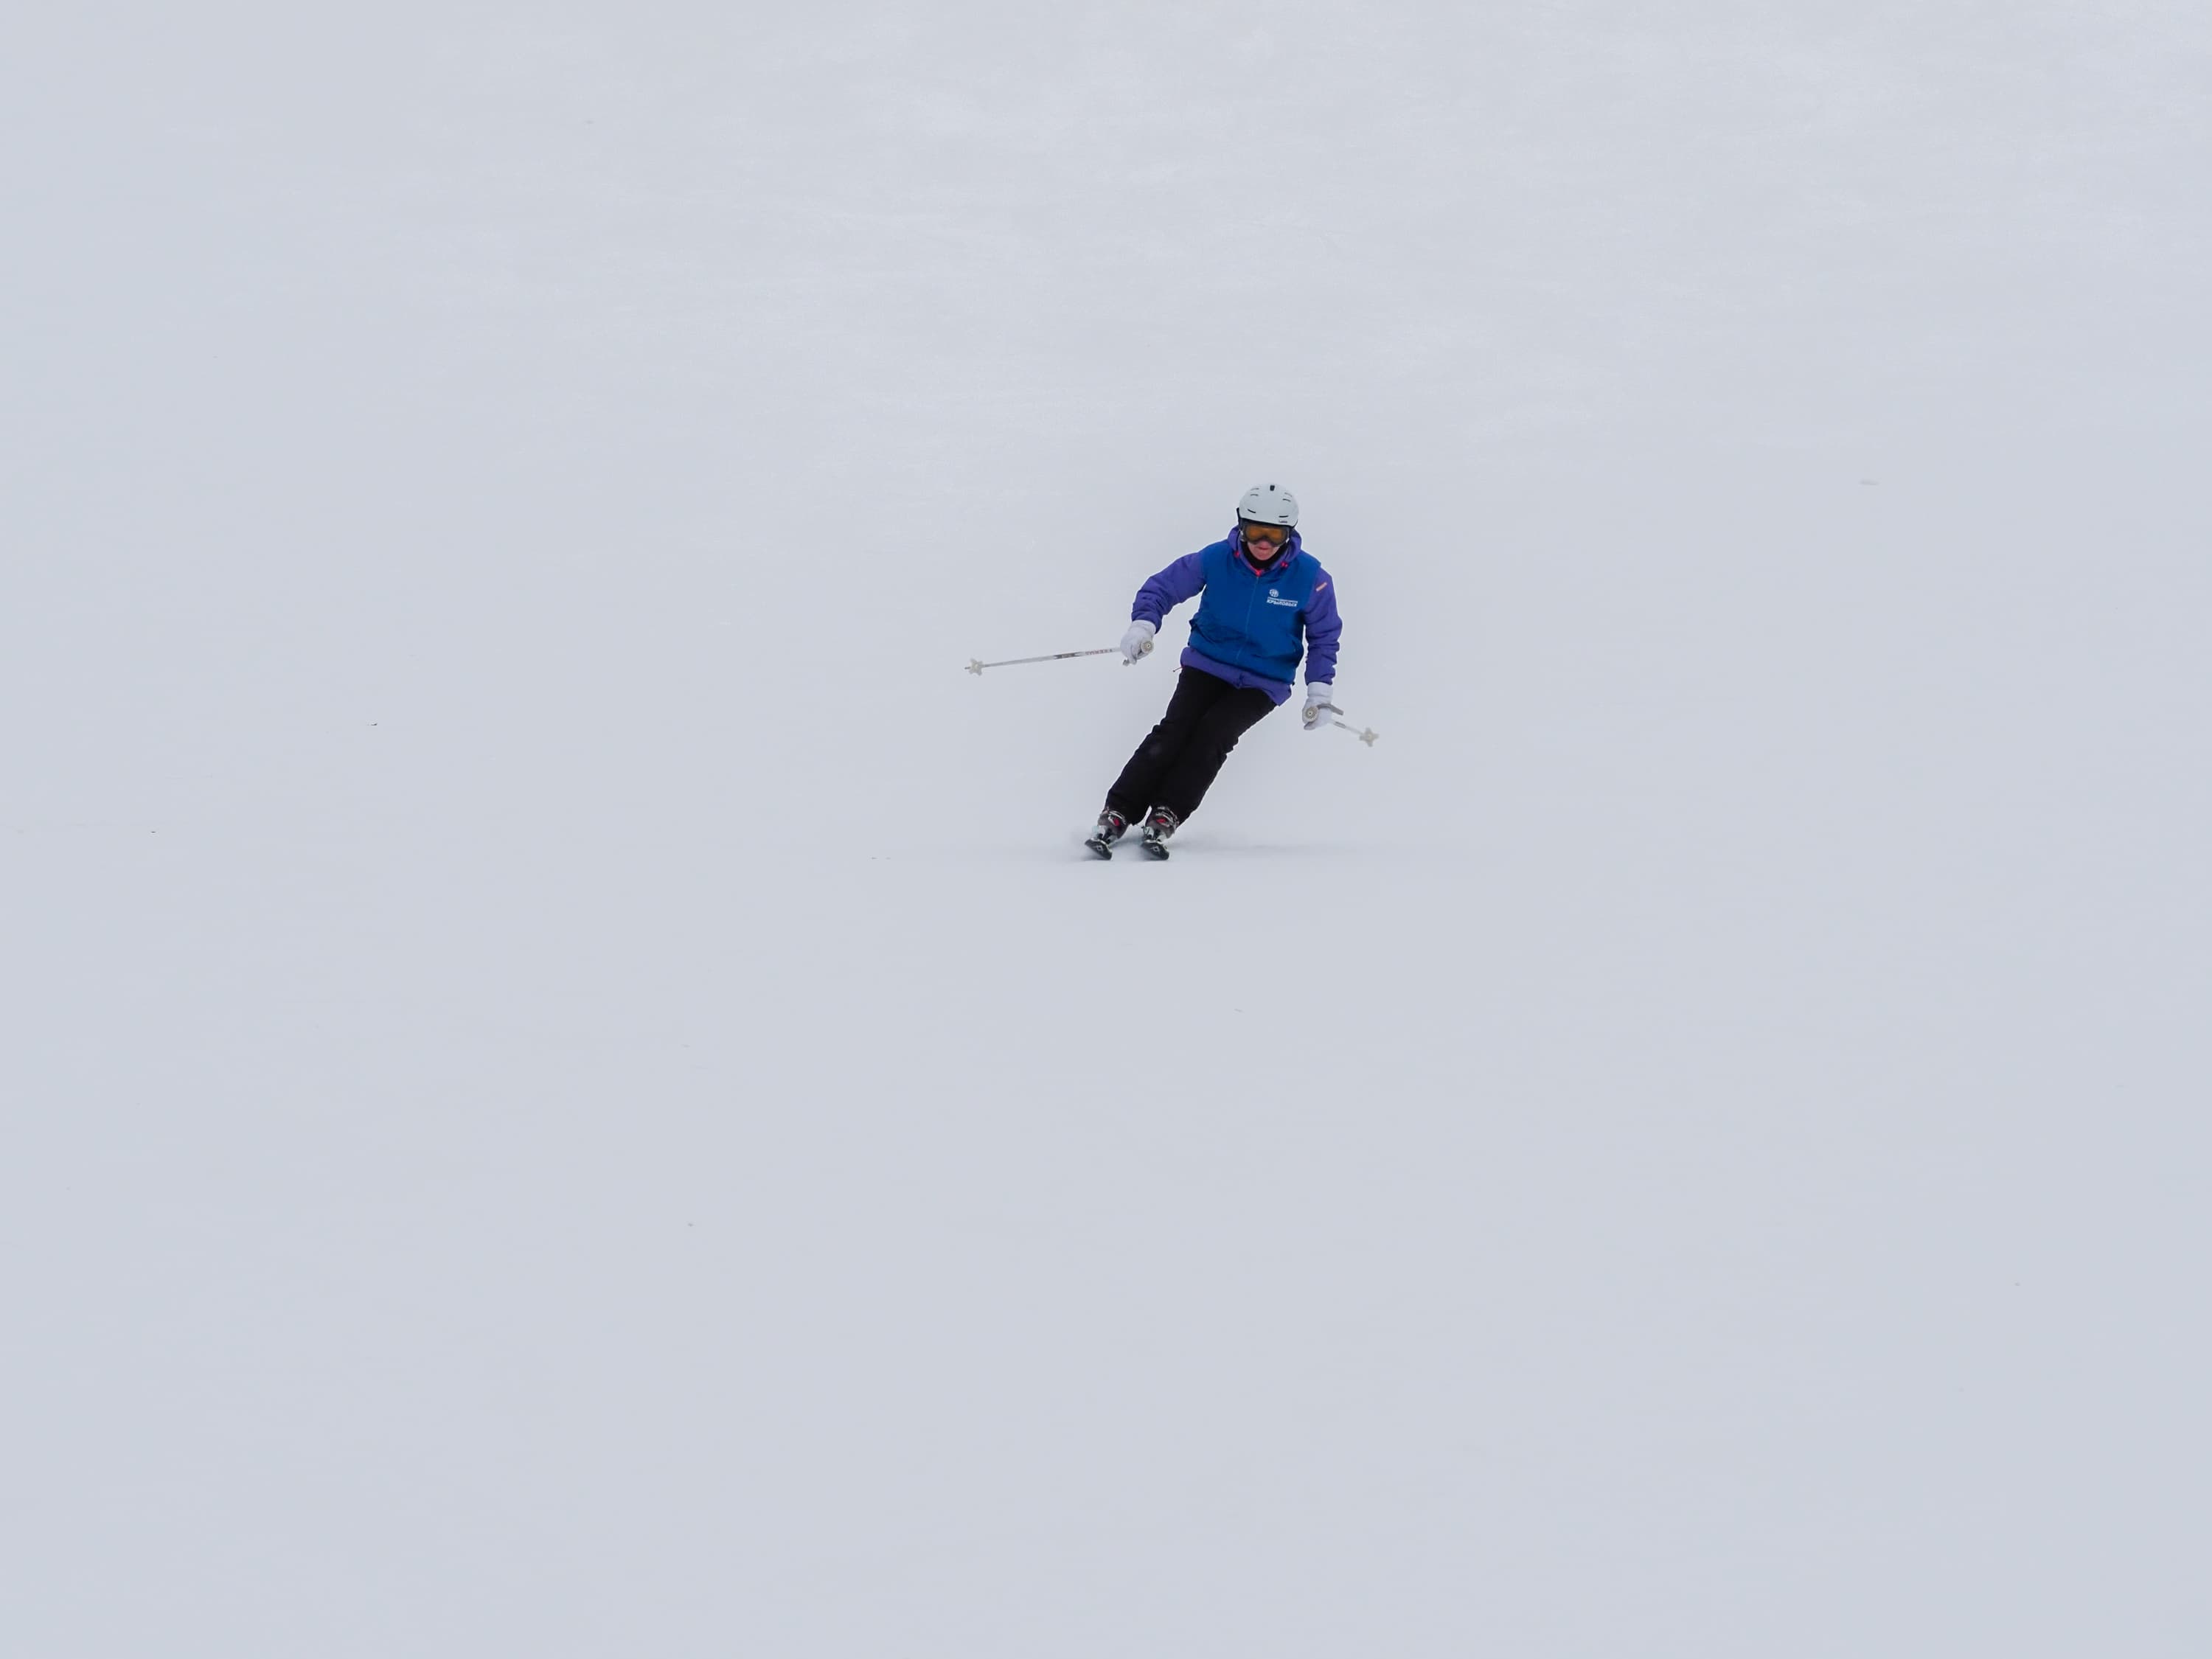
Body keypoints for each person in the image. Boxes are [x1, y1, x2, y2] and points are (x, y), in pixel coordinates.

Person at [1087, 484, 1343, 859]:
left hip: (1264, 680)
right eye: (1256, 531)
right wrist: (1143, 625)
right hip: (1208, 662)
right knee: (1175, 730)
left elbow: (1324, 637)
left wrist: (1319, 692)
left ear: (1290, 534)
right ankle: (1119, 811)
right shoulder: (1217, 559)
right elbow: (1163, 587)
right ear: (1241, 526)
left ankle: (1168, 812)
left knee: (1214, 735)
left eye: (1275, 535)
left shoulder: (1312, 579)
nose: (1264, 543)